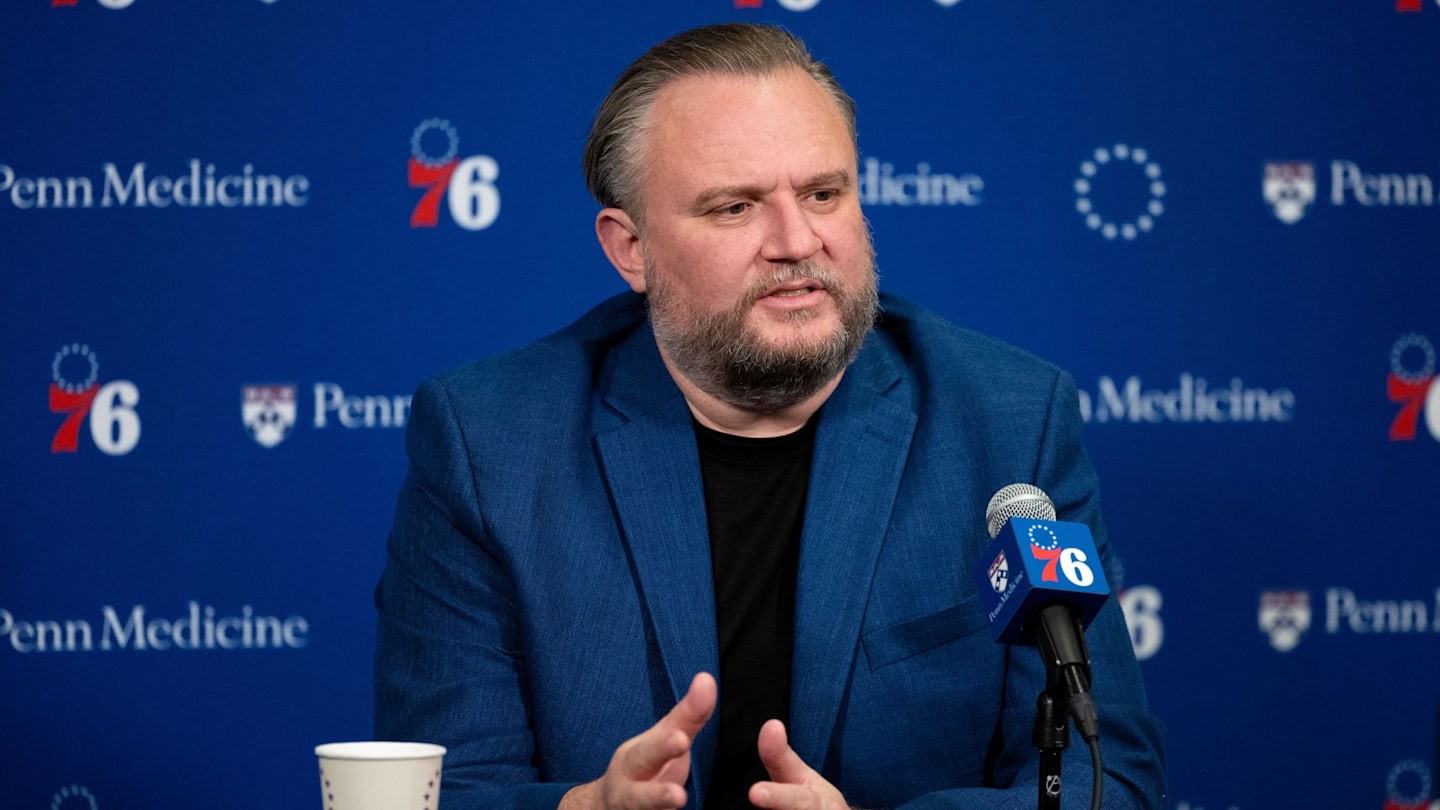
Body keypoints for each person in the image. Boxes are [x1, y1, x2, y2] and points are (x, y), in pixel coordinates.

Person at [374, 21, 1165, 810]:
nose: (797, 241)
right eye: (734, 208)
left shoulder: (1007, 424)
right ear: (631, 250)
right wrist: (583, 809)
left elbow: (1111, 783)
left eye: (825, 194)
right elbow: (444, 790)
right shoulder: (489, 442)